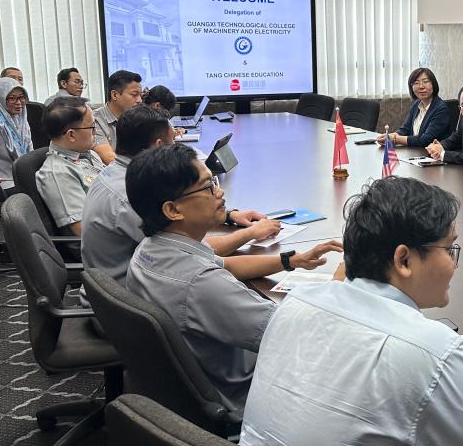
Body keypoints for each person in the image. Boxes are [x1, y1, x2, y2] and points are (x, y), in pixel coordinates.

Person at [240, 177, 463, 446]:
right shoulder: (432, 353)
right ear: (404, 260)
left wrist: (459, 362)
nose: (454, 265)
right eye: (449, 249)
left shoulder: (296, 303)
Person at [126, 144, 342, 407]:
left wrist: (290, 260)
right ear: (173, 210)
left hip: (188, 386)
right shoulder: (202, 284)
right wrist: (340, 287)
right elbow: (296, 333)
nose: (220, 192)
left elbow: (225, 264)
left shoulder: (149, 249)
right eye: (208, 187)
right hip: (250, 393)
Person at [82, 105, 280, 291]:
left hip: (123, 286)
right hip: (135, 294)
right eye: (174, 142)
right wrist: (251, 233)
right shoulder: (130, 195)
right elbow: (190, 252)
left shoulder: (116, 173)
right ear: (159, 146)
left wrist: (228, 215)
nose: (177, 147)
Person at [35, 97, 103, 236]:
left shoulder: (88, 153)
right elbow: (84, 231)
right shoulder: (58, 173)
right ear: (71, 135)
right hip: (106, 241)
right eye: (92, 127)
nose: (95, 132)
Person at [376, 67, 450, 147]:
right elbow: (405, 129)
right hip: (414, 151)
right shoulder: (416, 104)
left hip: (430, 152)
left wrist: (395, 138)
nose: (421, 86)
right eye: (416, 83)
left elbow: (425, 140)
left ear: (433, 84)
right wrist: (388, 136)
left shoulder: (441, 109)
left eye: (425, 81)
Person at [92, 69, 143, 164]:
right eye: (134, 95)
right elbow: (108, 158)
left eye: (140, 95)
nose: (140, 100)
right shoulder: (94, 120)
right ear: (115, 95)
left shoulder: (139, 118)